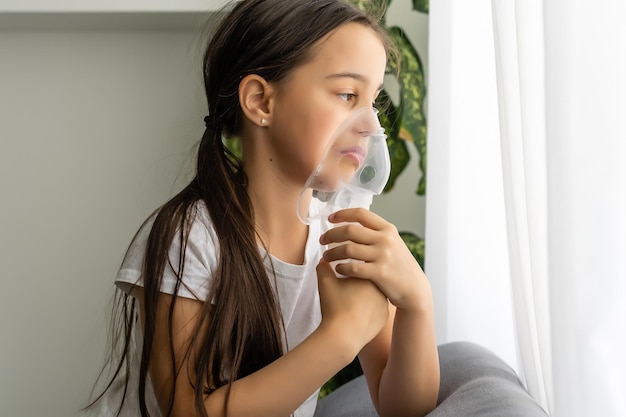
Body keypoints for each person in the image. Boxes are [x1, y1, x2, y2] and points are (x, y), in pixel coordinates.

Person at [85, 1, 440, 416]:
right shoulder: (192, 240)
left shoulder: (342, 240)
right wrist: (341, 337)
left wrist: (417, 303)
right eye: (347, 94)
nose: (370, 126)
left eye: (373, 102)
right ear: (260, 101)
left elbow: (406, 409)